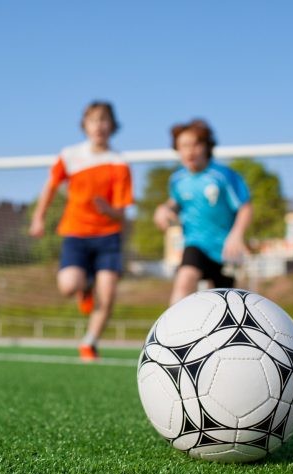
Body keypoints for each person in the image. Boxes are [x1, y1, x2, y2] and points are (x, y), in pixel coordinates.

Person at [29, 101, 133, 361]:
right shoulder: (70, 155)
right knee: (68, 285)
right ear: (85, 125)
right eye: (94, 120)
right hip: (76, 233)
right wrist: (38, 217)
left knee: (107, 295)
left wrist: (107, 209)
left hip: (108, 236)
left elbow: (122, 211)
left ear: (112, 125)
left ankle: (89, 342)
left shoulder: (119, 163)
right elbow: (50, 186)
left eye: (104, 120)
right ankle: (85, 286)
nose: (99, 125)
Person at [154, 119, 253, 304]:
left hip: (225, 248)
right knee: (184, 280)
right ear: (177, 149)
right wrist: (164, 210)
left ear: (207, 146)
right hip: (196, 243)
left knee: (225, 301)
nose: (190, 151)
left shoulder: (223, 175)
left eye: (195, 144)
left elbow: (245, 207)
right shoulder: (177, 179)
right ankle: (172, 330)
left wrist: (237, 235)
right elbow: (174, 202)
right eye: (183, 146)